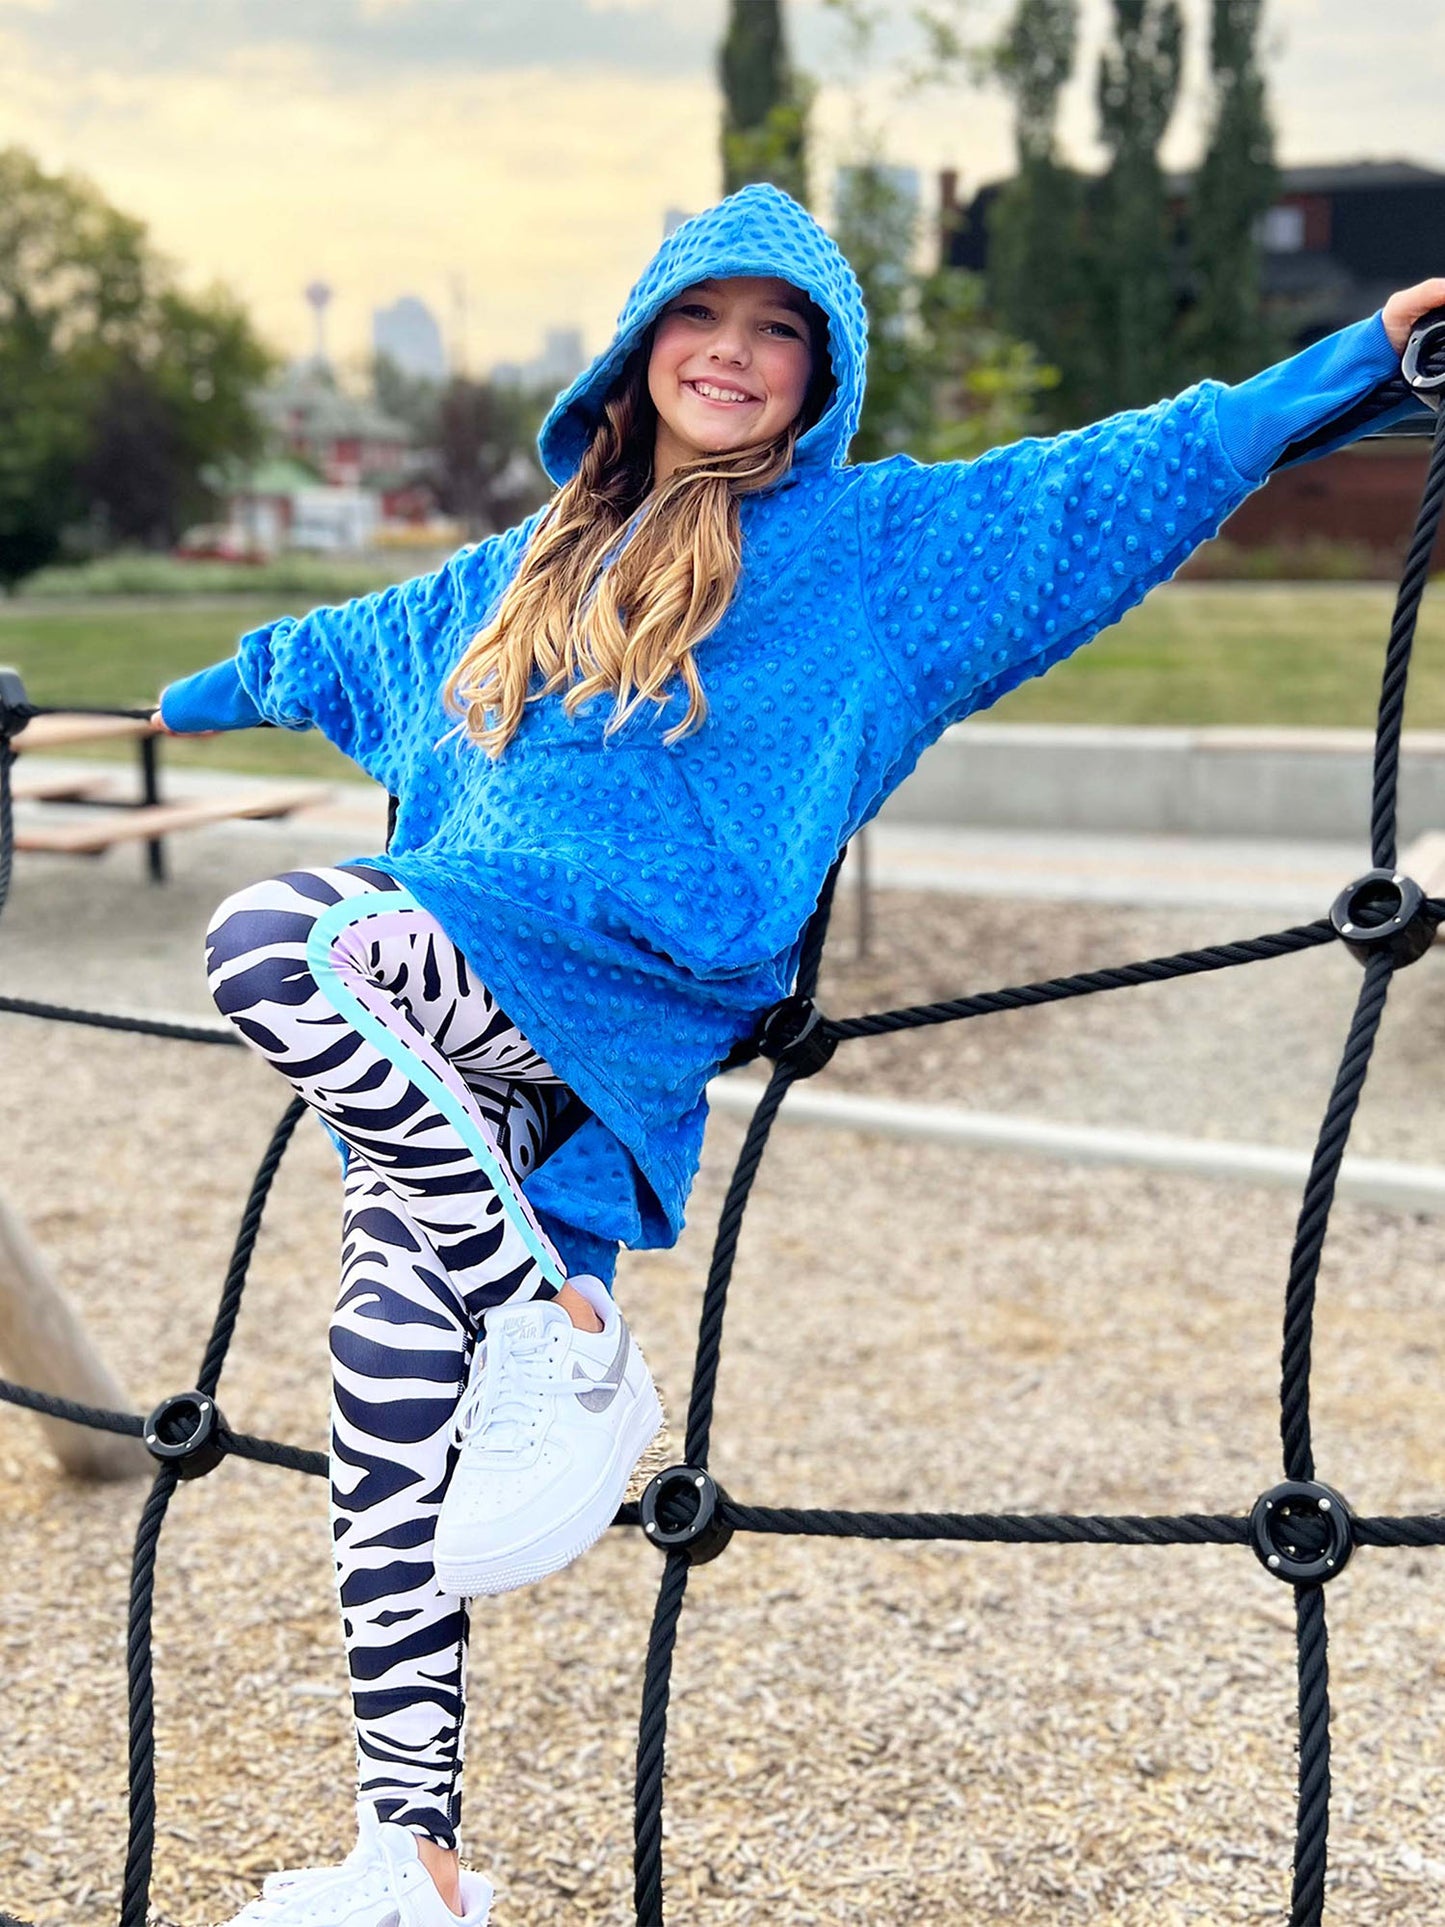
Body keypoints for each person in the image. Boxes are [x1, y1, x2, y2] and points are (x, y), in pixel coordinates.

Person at [154, 182, 1443, 1926]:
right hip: (462, 1043)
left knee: (278, 940)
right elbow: (322, 651)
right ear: (640, 346)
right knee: (383, 1404)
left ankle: (559, 1329)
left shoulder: (875, 549)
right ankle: (414, 1859)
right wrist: (170, 702)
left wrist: (1362, 358)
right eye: (702, 317)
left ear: (820, 373)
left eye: (778, 331)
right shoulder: (523, 564)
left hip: (613, 978)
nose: (732, 353)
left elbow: (1135, 466)